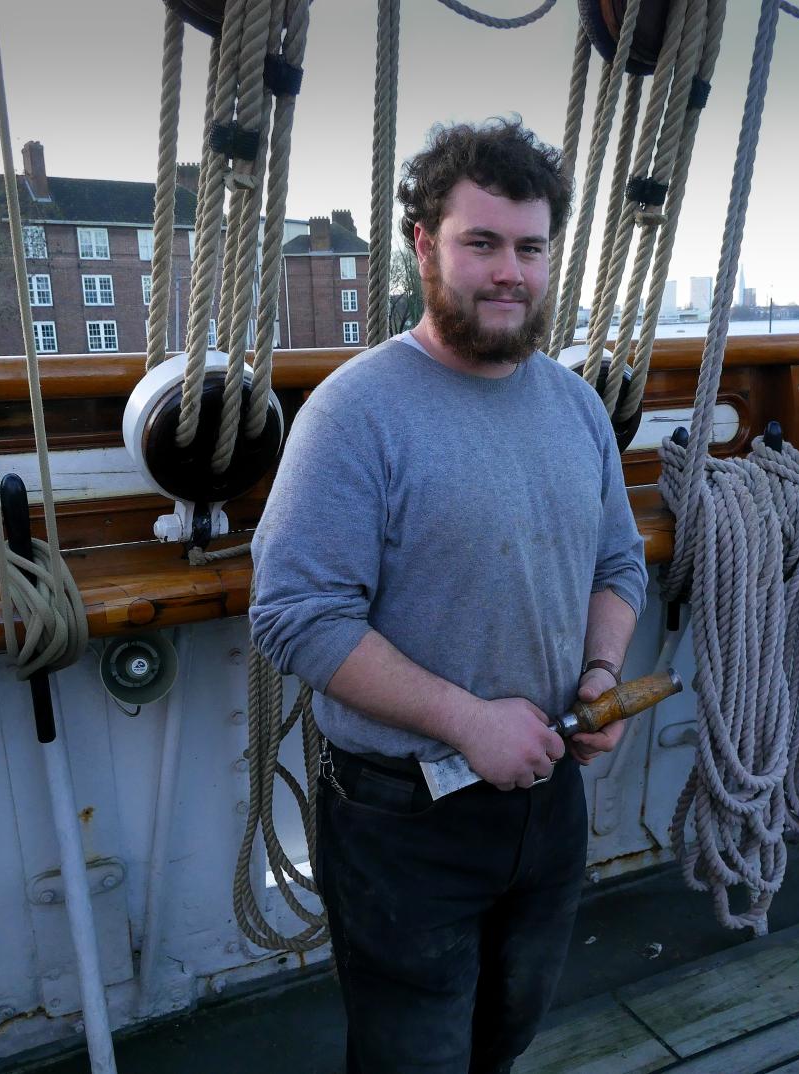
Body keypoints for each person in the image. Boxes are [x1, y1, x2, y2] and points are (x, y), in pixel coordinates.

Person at [249, 118, 648, 1074]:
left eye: (530, 247)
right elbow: (296, 614)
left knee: (505, 1035)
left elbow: (618, 565)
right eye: (481, 243)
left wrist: (600, 673)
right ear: (424, 246)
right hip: (403, 821)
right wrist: (468, 722)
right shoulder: (355, 412)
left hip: (548, 795)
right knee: (410, 1059)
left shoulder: (577, 405)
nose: (509, 271)